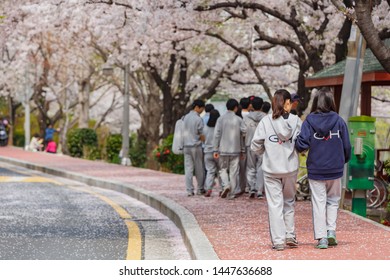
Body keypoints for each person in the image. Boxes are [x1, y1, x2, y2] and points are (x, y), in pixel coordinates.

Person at [295, 87, 351, 249]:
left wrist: (299, 145)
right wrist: (342, 161)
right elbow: (347, 146)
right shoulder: (339, 121)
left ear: (315, 103)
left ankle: (322, 238)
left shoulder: (309, 121)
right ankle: (331, 231)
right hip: (335, 168)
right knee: (333, 201)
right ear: (331, 102)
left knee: (319, 203)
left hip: (316, 168)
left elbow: (302, 144)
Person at [251, 89, 302, 251]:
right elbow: (301, 145)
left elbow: (255, 145)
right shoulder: (296, 121)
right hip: (290, 168)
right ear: (287, 102)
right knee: (289, 201)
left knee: (275, 205)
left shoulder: (266, 121)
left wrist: (266, 152)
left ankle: (279, 241)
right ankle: (290, 234)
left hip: (271, 169)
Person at [213, 98, 245, 200]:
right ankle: (232, 193)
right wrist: (243, 150)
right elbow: (243, 135)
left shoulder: (220, 119)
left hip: (223, 149)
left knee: (222, 169)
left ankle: (226, 184)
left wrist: (215, 149)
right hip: (236, 149)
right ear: (236, 108)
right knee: (234, 172)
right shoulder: (239, 120)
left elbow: (217, 134)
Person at [241, 97, 266, 199]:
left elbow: (243, 131)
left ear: (252, 105)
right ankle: (259, 190)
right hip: (262, 146)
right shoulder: (266, 117)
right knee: (261, 167)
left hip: (250, 145)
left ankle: (251, 188)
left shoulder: (246, 117)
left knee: (250, 167)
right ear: (262, 105)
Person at [182, 99, 206, 196]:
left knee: (188, 168)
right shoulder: (198, 119)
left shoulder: (185, 117)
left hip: (186, 146)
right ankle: (200, 189)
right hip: (196, 146)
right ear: (197, 107)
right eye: (202, 109)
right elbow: (201, 133)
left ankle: (189, 190)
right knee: (199, 168)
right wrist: (204, 140)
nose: (202, 111)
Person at [203, 109, 221, 197]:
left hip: (207, 152)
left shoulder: (205, 127)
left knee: (210, 171)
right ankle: (222, 189)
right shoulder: (219, 127)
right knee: (221, 171)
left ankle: (208, 188)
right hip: (218, 152)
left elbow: (202, 137)